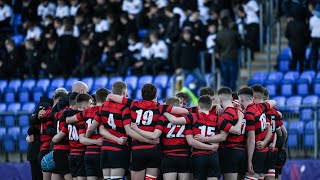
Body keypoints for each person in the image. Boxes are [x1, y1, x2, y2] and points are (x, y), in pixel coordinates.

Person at [107, 83, 189, 180]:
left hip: (138, 150)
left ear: (141, 94)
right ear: (155, 95)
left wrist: (108, 102)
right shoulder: (160, 107)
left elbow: (110, 96)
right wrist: (166, 112)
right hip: (153, 150)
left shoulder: (133, 104)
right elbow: (185, 111)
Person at [130, 97, 193, 180]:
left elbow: (154, 135)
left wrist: (137, 129)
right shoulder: (187, 118)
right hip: (184, 156)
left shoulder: (162, 119)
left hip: (168, 156)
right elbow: (190, 140)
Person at [66, 88, 110, 180]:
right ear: (107, 99)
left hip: (88, 154)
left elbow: (68, 120)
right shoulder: (106, 112)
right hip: (102, 152)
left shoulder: (85, 113)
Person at [52, 93, 94, 180]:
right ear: (84, 106)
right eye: (90, 103)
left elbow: (57, 137)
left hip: (72, 155)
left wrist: (54, 139)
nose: (92, 106)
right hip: (81, 153)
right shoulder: (83, 120)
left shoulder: (68, 121)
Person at [238, 86, 276, 180]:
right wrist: (264, 143)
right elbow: (270, 129)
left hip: (256, 152)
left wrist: (249, 160)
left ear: (242, 99)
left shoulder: (249, 114)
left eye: (239, 100)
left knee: (251, 176)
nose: (239, 102)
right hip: (264, 151)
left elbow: (251, 139)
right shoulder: (260, 107)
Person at [184, 95, 221, 180]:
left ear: (198, 106)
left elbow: (191, 142)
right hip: (213, 157)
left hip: (199, 156)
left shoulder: (193, 117)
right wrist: (211, 146)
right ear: (210, 106)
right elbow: (224, 136)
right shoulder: (217, 119)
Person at [37, 88, 68, 180]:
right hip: (51, 148)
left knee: (55, 173)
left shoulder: (50, 113)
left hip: (52, 148)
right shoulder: (50, 112)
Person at [26, 96, 54, 180]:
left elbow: (31, 126)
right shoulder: (45, 107)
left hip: (40, 151)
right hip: (37, 151)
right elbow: (31, 124)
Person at [263, 89, 287, 180]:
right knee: (277, 173)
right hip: (275, 146)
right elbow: (283, 132)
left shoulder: (258, 110)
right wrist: (281, 144)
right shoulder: (274, 111)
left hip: (263, 145)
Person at [215, 16, 242, 91]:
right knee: (233, 77)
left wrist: (217, 53)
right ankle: (232, 94)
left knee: (225, 77)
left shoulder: (219, 34)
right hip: (232, 57)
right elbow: (240, 43)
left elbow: (217, 46)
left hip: (223, 57)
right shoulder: (234, 33)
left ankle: (226, 93)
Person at [310, 4, 320, 70]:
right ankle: (314, 68)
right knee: (315, 55)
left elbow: (310, 28)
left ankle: (314, 68)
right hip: (316, 38)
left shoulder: (312, 19)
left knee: (315, 55)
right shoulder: (312, 19)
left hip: (314, 38)